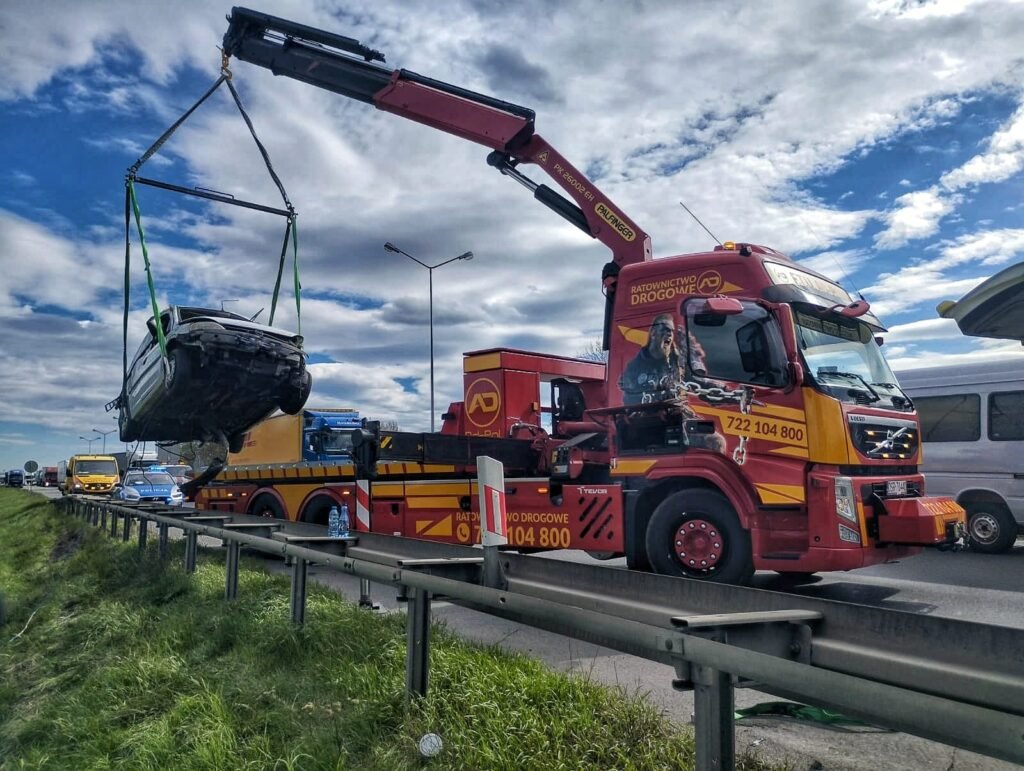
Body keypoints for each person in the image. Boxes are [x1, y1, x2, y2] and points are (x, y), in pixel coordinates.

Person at [619, 314, 681, 405]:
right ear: (653, 333)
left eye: (672, 331)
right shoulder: (634, 367)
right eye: (665, 329)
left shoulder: (678, 361)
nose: (670, 334)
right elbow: (628, 400)